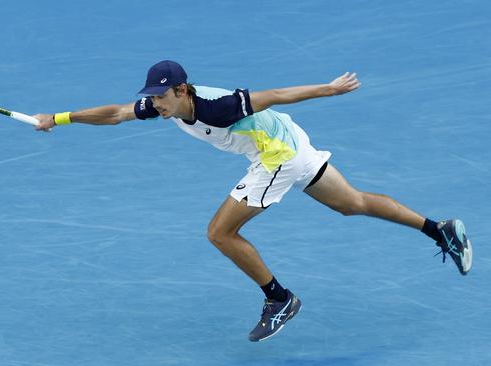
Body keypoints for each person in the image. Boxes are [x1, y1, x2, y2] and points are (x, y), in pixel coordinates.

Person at [33, 60, 473, 342]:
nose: (154, 104)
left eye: (162, 97)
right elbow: (114, 113)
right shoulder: (162, 105)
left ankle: (279, 298)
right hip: (290, 141)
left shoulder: (220, 107)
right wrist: (58, 118)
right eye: (151, 96)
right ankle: (441, 229)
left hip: (278, 156)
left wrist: (329, 89)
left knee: (220, 233)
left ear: (183, 90)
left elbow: (276, 95)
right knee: (352, 203)